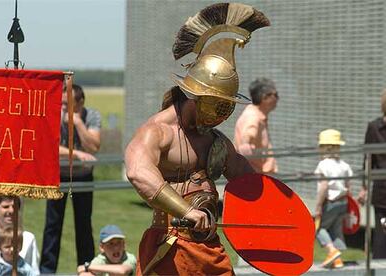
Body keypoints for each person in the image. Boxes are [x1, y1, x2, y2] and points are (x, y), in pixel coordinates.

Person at [125, 3, 269, 275]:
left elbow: (247, 179)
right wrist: (186, 211)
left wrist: (276, 208)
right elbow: (138, 171)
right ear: (194, 96)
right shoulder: (158, 131)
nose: (222, 112)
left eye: (226, 104)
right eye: (217, 103)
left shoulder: (214, 140)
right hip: (170, 247)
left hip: (209, 248)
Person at [40, 84, 102, 273]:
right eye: (62, 103)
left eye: (68, 104)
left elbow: (94, 147)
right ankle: (47, 270)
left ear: (80, 102)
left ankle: (86, 268)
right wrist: (75, 154)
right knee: (52, 225)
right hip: (59, 177)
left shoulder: (91, 116)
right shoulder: (55, 115)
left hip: (83, 177)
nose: (64, 108)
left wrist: (78, 124)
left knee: (83, 225)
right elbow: (50, 146)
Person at [314, 129, 352, 269]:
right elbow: (349, 185)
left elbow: (323, 187)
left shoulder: (323, 165)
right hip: (343, 202)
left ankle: (332, 251)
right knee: (336, 229)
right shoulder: (344, 165)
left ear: (324, 147)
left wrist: (318, 206)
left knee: (319, 229)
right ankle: (338, 260)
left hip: (330, 203)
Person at [358, 88, 386, 259]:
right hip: (383, 191)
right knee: (382, 238)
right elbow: (368, 159)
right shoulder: (374, 127)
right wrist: (364, 186)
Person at [234, 77, 279, 173]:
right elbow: (245, 142)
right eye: (275, 95)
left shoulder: (254, 114)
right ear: (265, 97)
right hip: (256, 178)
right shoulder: (253, 118)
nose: (277, 98)